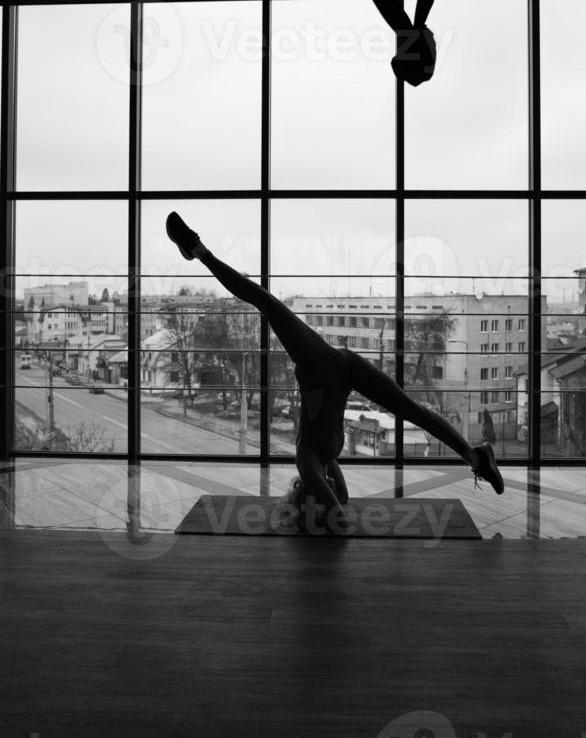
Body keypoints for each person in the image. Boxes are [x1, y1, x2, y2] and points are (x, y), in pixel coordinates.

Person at [166, 212, 504, 533]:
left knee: (265, 303)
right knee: (411, 410)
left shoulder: (307, 461)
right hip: (344, 370)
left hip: (318, 365)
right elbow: (341, 500)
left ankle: (198, 250)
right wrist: (326, 506)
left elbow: (337, 512)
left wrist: (318, 514)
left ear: (307, 494)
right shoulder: (326, 463)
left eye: (318, 493)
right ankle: (477, 457)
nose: (328, 487)